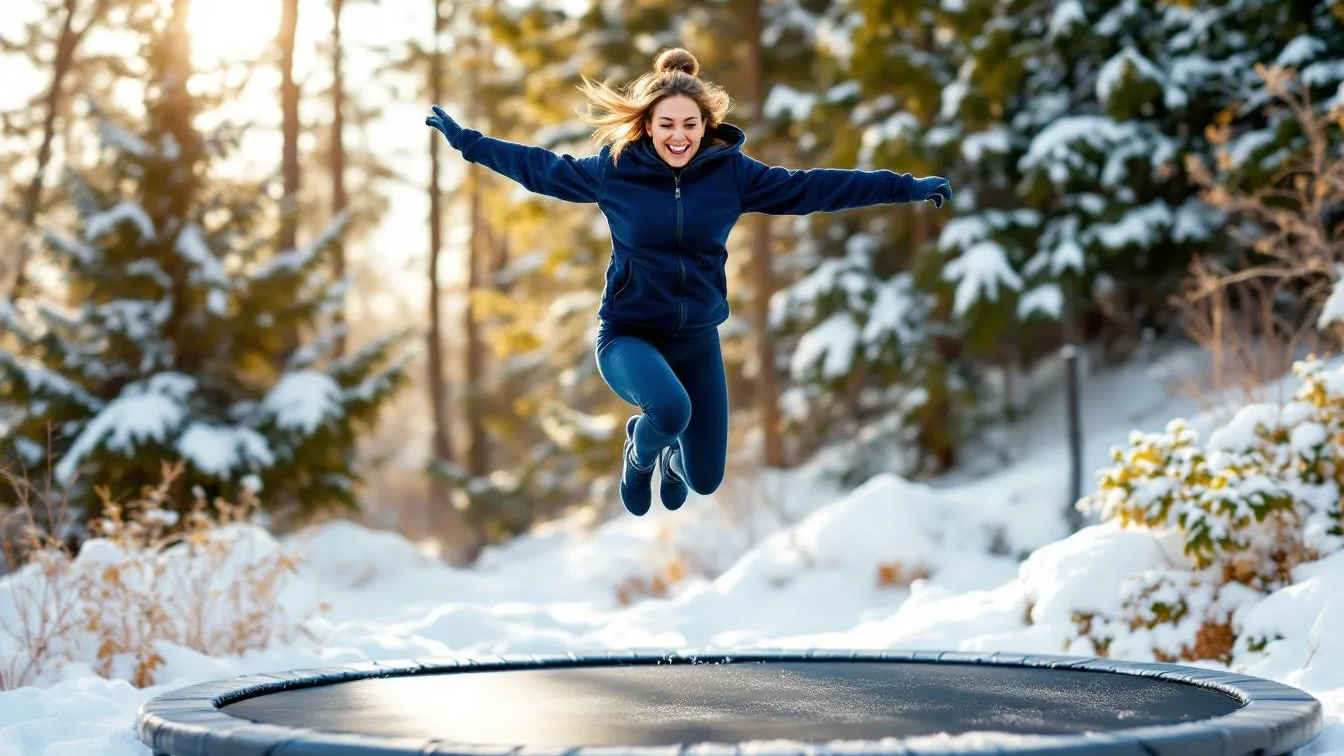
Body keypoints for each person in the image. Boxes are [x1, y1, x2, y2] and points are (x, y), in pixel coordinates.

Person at [426, 47, 952, 517]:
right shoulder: (614, 171)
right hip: (629, 335)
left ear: (707, 126)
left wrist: (904, 187)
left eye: (690, 125)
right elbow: (537, 167)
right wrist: (468, 142)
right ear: (647, 125)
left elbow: (815, 187)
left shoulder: (734, 176)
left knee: (705, 479)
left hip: (696, 339)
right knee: (670, 410)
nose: (678, 136)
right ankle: (640, 453)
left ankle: (672, 461)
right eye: (666, 124)